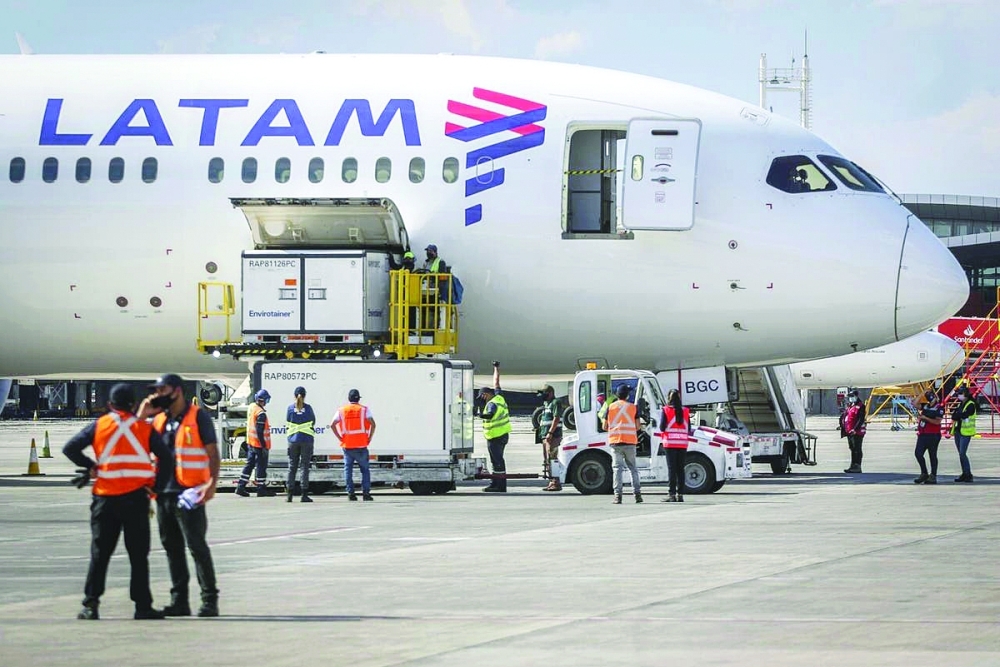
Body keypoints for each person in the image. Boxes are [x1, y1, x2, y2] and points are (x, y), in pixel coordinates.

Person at [63, 383, 170, 620]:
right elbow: (166, 458)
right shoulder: (144, 428)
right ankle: (142, 606)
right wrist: (156, 486)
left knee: (100, 555)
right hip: (136, 499)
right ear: (133, 404)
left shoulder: (99, 426)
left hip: (105, 500)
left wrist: (91, 466)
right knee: (138, 556)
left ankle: (91, 605)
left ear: (110, 405)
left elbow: (69, 448)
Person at [141, 373, 221, 618]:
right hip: (163, 493)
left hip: (190, 493)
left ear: (176, 391)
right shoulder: (158, 420)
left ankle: (209, 600)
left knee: (196, 546)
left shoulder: (198, 417)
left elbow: (212, 453)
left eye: (162, 390)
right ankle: (180, 601)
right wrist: (142, 415)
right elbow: (134, 440)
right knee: (172, 548)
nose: (157, 395)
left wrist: (211, 484)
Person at [331, 388, 376, 501]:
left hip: (347, 445)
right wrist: (369, 437)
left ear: (348, 398)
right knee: (365, 470)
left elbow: (332, 425)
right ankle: (366, 494)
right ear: (358, 398)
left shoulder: (342, 410)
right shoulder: (364, 410)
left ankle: (351, 494)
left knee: (348, 470)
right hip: (361, 445)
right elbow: (373, 424)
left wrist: (340, 437)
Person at [602, 384, 643, 504]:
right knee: (633, 469)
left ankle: (617, 496)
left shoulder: (610, 407)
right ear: (627, 395)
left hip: (615, 442)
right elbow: (637, 426)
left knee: (617, 469)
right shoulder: (633, 407)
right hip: (630, 442)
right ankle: (637, 495)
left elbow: (604, 426)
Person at [479, 361, 512, 492]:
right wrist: (496, 369)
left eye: (482, 396)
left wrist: (480, 415)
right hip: (502, 435)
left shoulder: (492, 403)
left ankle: (500, 485)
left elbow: (490, 416)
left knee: (497, 461)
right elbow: (496, 382)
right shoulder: (499, 397)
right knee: (497, 461)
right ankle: (496, 483)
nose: (481, 398)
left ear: (486, 394)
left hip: (495, 437)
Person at [237, 389, 275, 497]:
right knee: (261, 466)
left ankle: (241, 486)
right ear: (263, 400)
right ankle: (261, 488)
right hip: (258, 444)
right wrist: (263, 445)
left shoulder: (252, 407)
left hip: (251, 442)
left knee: (249, 465)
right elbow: (259, 431)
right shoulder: (261, 413)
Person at [285, 386, 316, 503]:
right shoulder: (308, 408)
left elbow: (288, 421)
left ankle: (289, 495)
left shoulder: (289, 408)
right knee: (304, 467)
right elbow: (313, 421)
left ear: (295, 395)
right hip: (306, 440)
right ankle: (304, 494)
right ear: (305, 396)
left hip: (293, 441)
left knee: (292, 467)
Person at [659, 388, 690, 502]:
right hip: (682, 443)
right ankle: (680, 494)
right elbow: (689, 428)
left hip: (670, 443)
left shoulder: (666, 410)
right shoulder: (686, 411)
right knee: (680, 469)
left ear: (669, 398)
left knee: (672, 469)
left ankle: (671, 494)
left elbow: (662, 427)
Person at [913, 389, 943, 484]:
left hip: (933, 434)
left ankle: (933, 475)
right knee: (918, 453)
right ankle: (924, 473)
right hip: (923, 434)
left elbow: (937, 421)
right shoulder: (925, 406)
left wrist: (925, 418)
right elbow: (915, 403)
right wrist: (922, 394)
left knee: (932, 455)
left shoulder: (939, 408)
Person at [539, 385, 563, 492]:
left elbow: (556, 418)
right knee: (547, 459)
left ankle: (556, 482)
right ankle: (551, 481)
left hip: (553, 435)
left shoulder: (555, 402)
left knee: (553, 458)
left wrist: (550, 433)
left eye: (545, 393)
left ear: (551, 393)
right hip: (545, 435)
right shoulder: (546, 403)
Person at [951, 385, 977, 483]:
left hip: (966, 432)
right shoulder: (961, 404)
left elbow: (964, 415)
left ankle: (968, 474)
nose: (959, 396)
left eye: (960, 394)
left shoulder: (971, 404)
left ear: (966, 394)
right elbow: (954, 416)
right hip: (958, 431)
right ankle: (964, 473)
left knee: (962, 453)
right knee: (960, 454)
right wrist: (958, 415)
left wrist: (958, 415)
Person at [843, 390, 866, 473]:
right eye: (849, 397)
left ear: (856, 396)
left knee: (857, 449)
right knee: (852, 448)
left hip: (857, 432)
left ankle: (857, 466)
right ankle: (853, 465)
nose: (850, 398)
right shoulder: (851, 405)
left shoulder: (861, 406)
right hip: (850, 432)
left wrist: (855, 429)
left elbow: (861, 419)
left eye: (852, 396)